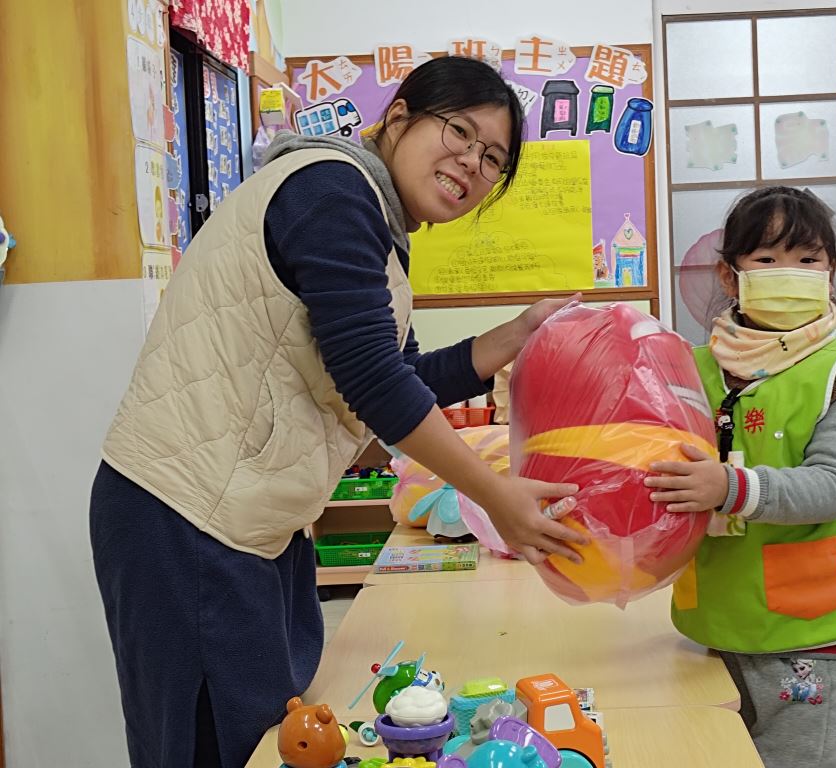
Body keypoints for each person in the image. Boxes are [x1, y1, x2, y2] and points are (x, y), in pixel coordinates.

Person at [90, 56, 586, 768]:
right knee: (221, 747)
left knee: (271, 736)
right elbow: (375, 383)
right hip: (185, 513)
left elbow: (403, 377)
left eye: (492, 159)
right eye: (460, 131)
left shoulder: (372, 222)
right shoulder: (332, 191)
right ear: (400, 114)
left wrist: (517, 333)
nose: (471, 164)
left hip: (247, 518)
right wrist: (495, 496)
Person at [643, 186, 836, 768]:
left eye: (808, 259)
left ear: (830, 273)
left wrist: (727, 488)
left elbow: (834, 486)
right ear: (729, 276)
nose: (790, 273)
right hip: (718, 616)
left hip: (817, 628)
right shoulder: (691, 367)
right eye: (767, 258)